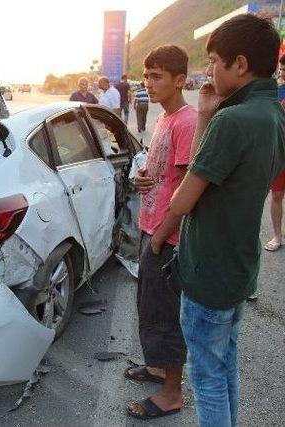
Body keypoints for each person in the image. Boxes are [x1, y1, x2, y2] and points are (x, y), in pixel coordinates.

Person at [168, 14, 284, 426]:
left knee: (207, 379)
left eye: (215, 60)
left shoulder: (234, 121)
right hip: (238, 265)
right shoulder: (272, 113)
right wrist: (203, 114)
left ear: (240, 63)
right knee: (225, 365)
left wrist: (210, 120)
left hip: (210, 270)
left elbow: (182, 201)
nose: (209, 70)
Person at [126, 45, 196, 421]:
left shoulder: (187, 121)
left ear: (180, 80)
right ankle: (156, 368)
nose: (148, 83)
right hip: (150, 227)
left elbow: (186, 189)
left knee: (166, 316)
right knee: (149, 307)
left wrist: (160, 236)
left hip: (166, 237)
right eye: (146, 75)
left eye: (157, 76)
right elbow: (164, 175)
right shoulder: (165, 119)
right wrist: (142, 180)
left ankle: (171, 393)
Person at [264, 54, 285, 252]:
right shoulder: (275, 92)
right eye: (281, 68)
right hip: (280, 153)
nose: (282, 72)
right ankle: (277, 235)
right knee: (277, 195)